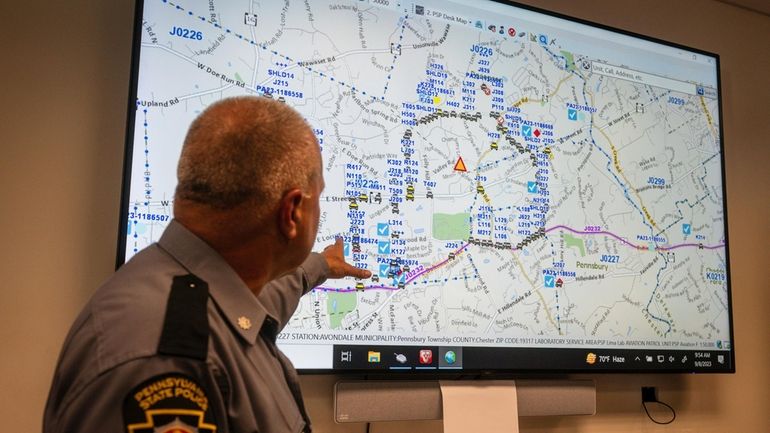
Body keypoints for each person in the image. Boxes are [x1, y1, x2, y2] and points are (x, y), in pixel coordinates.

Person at [43, 96, 371, 433]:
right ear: (292, 213)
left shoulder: (196, 287)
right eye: (318, 198)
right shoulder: (166, 359)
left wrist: (319, 266)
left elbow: (261, 302)